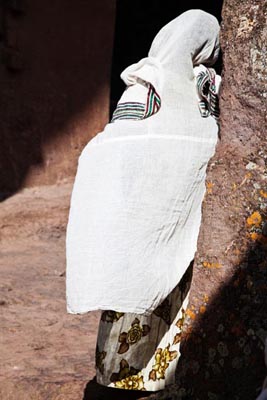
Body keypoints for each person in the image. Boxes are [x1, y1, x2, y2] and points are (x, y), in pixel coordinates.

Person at [66, 9, 221, 395]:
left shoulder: (141, 82)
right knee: (160, 295)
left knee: (134, 294)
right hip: (171, 219)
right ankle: (147, 378)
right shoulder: (202, 85)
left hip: (137, 221)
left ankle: (117, 378)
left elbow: (116, 144)